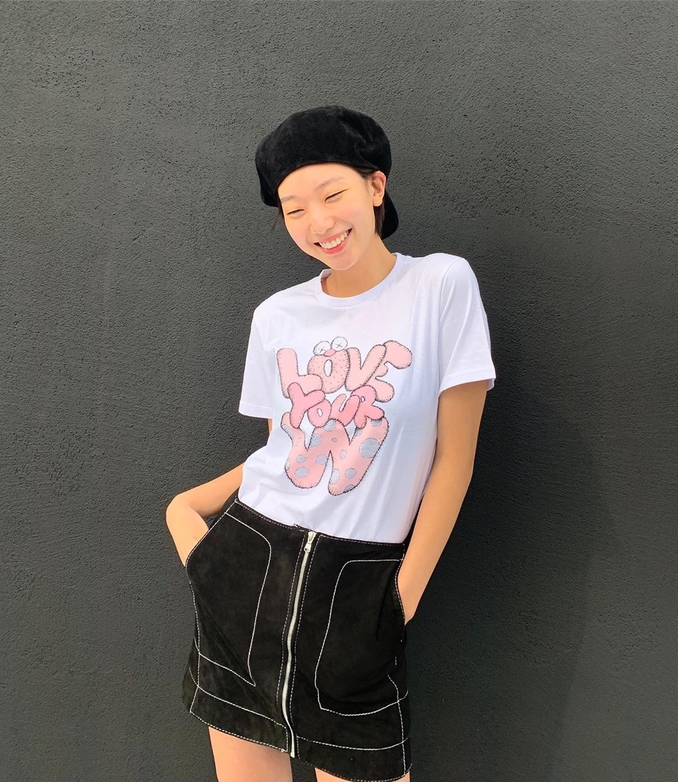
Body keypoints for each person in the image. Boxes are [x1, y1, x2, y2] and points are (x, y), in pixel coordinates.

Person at [165, 105, 497, 782]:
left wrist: (401, 600)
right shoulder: (277, 316)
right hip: (247, 568)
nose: (317, 221)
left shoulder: (440, 286)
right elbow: (285, 451)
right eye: (293, 209)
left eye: (332, 193)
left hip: (358, 589)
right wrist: (186, 515)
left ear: (375, 186)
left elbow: (454, 459)